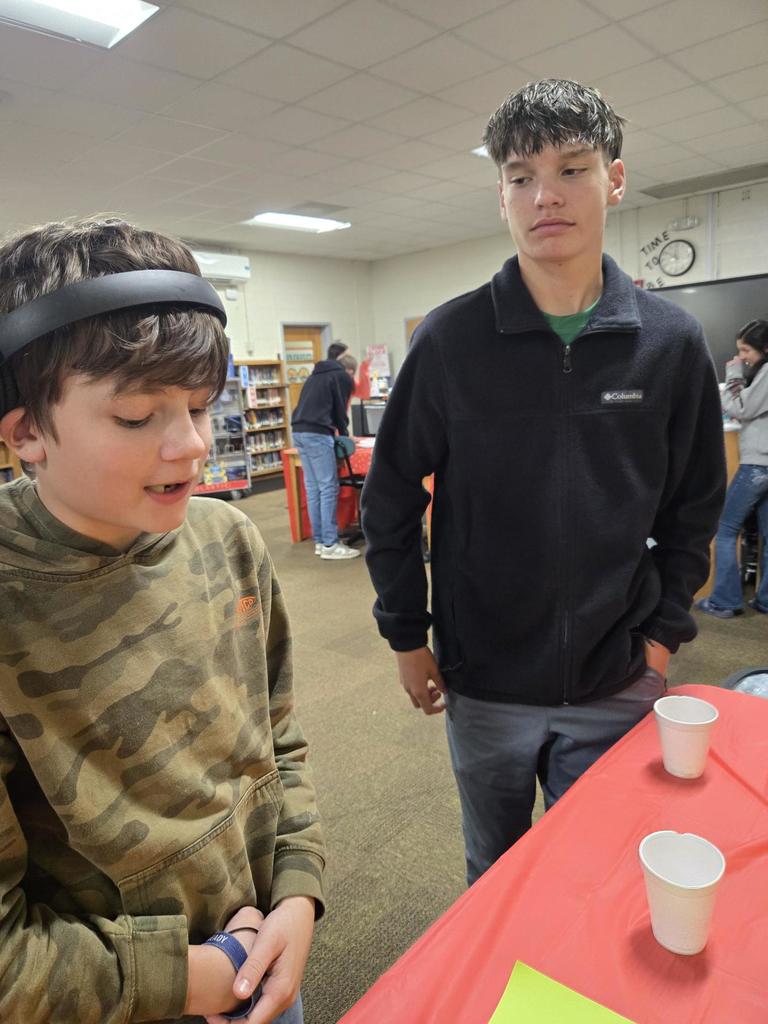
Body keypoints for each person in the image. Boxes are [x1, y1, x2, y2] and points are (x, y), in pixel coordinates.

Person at [360, 79, 726, 886]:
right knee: (494, 873)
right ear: (501, 196)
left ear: (615, 180)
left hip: (618, 673)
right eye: (521, 176)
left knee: (594, 874)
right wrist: (406, 635)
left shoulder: (670, 344)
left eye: (571, 168)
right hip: (482, 678)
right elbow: (388, 500)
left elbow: (696, 504)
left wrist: (661, 640)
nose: (544, 195)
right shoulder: (451, 340)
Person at [0, 218, 325, 1024]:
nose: (190, 448)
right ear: (27, 433)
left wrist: (299, 893)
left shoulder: (230, 539)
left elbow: (276, 744)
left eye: (200, 407)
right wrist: (197, 978)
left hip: (263, 951)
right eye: (138, 417)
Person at [696, 319, 768, 617]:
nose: (742, 356)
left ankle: (725, 601)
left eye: (746, 350)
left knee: (724, 530)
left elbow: (740, 408)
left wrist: (733, 372)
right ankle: (764, 600)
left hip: (757, 465)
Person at [291, 352, 360, 560]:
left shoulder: (316, 375)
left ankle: (321, 541)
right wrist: (346, 435)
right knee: (329, 487)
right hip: (318, 433)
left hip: (299, 431)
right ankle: (330, 543)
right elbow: (340, 408)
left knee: (314, 488)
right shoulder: (341, 377)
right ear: (349, 371)